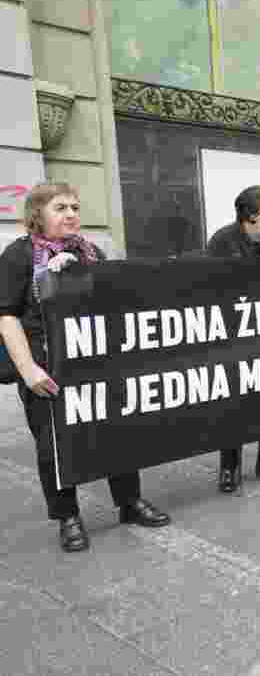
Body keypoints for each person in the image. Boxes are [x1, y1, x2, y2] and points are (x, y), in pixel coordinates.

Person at [0, 183, 171, 552]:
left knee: (118, 433)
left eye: (75, 207)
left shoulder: (90, 251)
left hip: (98, 365)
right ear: (37, 214)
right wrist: (28, 371)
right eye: (60, 207)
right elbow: (7, 316)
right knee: (54, 446)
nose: (71, 214)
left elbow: (114, 300)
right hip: (48, 369)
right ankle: (67, 516)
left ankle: (129, 502)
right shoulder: (19, 255)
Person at [206, 186, 260, 492]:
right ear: (248, 217)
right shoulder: (222, 241)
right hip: (234, 334)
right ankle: (229, 466)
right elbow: (210, 287)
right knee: (234, 402)